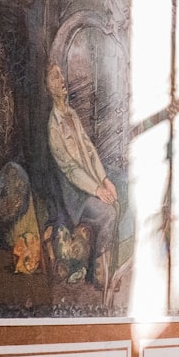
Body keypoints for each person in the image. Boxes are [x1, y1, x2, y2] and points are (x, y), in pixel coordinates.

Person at [46, 63, 118, 287]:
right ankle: (98, 273)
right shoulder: (53, 126)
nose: (61, 80)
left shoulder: (72, 114)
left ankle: (110, 269)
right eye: (55, 77)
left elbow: (90, 151)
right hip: (73, 195)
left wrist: (105, 180)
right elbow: (69, 168)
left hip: (90, 184)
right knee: (107, 213)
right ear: (48, 87)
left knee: (119, 196)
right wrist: (97, 190)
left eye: (61, 76)